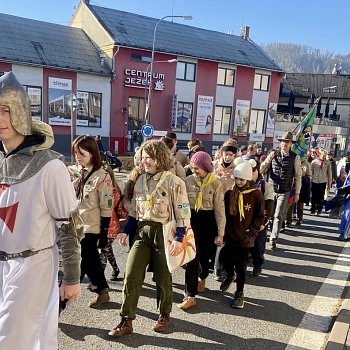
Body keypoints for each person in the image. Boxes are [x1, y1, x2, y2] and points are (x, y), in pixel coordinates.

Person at [0, 72, 81, 349]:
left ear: (21, 112)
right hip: (2, 265)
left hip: (32, 266)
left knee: (11, 340)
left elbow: (67, 226)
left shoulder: (50, 166)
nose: (0, 118)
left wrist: (71, 277)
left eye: (6, 110)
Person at [109, 140, 191, 338]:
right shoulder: (140, 181)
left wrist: (180, 238)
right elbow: (136, 212)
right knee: (131, 275)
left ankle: (164, 314)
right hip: (142, 232)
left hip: (165, 233)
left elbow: (183, 214)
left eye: (149, 157)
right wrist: (125, 231)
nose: (144, 161)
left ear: (159, 158)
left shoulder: (174, 182)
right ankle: (126, 319)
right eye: (143, 157)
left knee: (163, 278)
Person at [177, 151, 225, 310]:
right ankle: (190, 295)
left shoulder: (216, 184)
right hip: (192, 221)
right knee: (191, 258)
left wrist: (220, 233)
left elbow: (219, 210)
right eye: (192, 167)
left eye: (197, 168)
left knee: (205, 256)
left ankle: (203, 276)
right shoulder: (187, 181)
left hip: (209, 221)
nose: (194, 171)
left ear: (206, 167)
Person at [72, 135, 114, 308]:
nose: (78, 157)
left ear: (92, 153)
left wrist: (104, 233)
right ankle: (102, 291)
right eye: (75, 153)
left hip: (92, 227)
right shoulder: (77, 172)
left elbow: (107, 207)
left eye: (82, 153)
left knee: (80, 263)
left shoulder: (102, 176)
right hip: (76, 226)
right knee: (92, 261)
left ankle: (61, 301)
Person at [219, 157, 264, 308]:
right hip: (231, 235)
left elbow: (259, 216)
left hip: (245, 238)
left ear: (248, 179)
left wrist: (251, 232)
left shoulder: (256, 194)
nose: (238, 182)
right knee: (226, 258)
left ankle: (239, 293)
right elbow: (224, 214)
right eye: (236, 179)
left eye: (242, 180)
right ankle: (230, 274)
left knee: (241, 266)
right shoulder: (229, 194)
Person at [260, 131, 302, 250]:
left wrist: (297, 192)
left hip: (285, 189)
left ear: (291, 144)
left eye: (287, 142)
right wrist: (269, 159)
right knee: (269, 214)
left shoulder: (295, 157)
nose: (285, 144)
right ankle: (266, 235)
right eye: (283, 142)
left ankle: (273, 238)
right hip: (271, 189)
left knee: (278, 215)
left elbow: (298, 176)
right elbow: (262, 168)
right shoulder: (273, 154)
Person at [250, 161, 274, 277]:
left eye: (253, 170)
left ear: (258, 171)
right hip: (245, 221)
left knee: (258, 247)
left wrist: (262, 223)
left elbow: (269, 206)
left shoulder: (265, 186)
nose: (250, 173)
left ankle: (258, 265)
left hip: (260, 221)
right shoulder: (241, 182)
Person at [286, 159, 311, 225]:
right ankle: (288, 220)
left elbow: (309, 175)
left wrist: (306, 181)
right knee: (290, 203)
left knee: (300, 203)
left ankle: (300, 218)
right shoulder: (292, 159)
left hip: (302, 184)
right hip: (292, 184)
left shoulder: (306, 163)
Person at [310, 149, 332, 215]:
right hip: (315, 181)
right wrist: (310, 182)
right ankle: (313, 210)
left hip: (323, 181)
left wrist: (329, 184)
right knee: (314, 196)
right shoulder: (314, 162)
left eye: (325, 155)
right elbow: (311, 173)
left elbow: (329, 174)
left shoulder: (328, 162)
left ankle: (319, 211)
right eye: (323, 155)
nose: (324, 157)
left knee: (321, 197)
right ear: (320, 154)